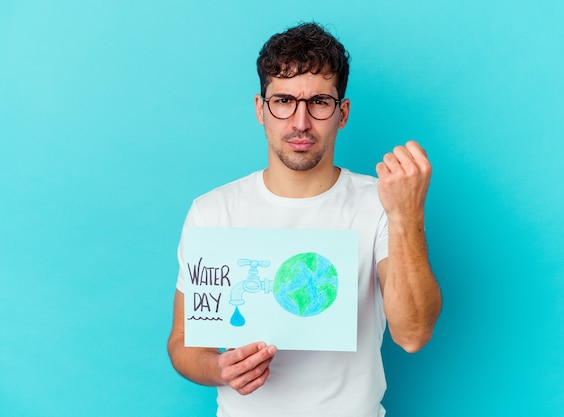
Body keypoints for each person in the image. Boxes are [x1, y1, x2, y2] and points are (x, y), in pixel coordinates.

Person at [167, 22, 442, 417]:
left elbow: (413, 334)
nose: (300, 122)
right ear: (261, 110)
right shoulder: (213, 211)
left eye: (318, 102)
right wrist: (219, 369)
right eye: (283, 101)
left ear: (342, 112)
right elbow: (184, 344)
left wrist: (407, 213)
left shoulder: (381, 204)